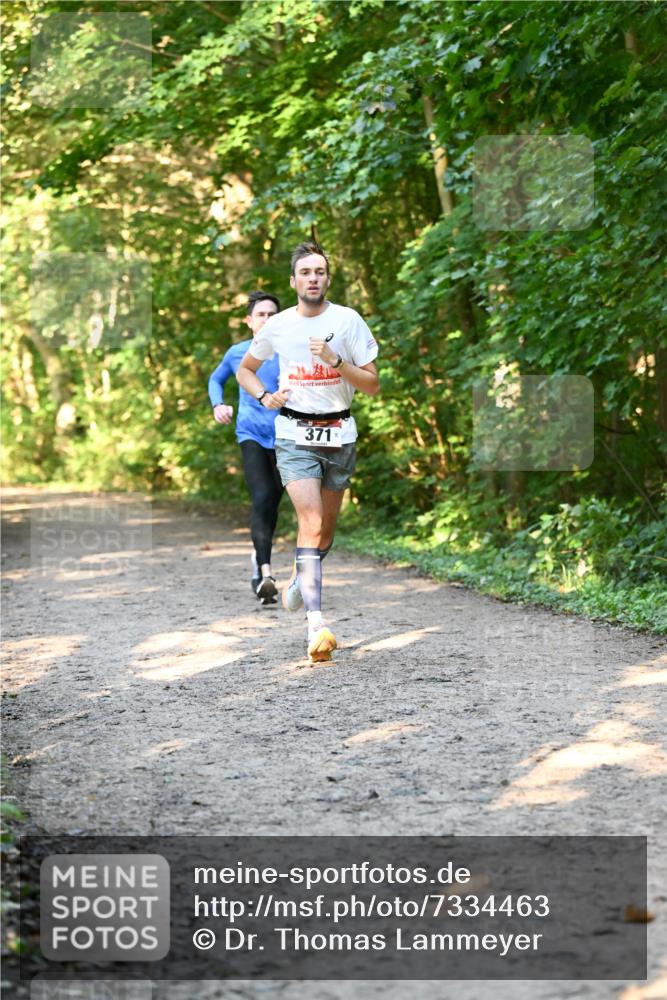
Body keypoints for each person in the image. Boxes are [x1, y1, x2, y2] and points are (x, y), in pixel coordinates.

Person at [237, 242, 379, 662]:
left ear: (328, 279)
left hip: (340, 432)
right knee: (311, 519)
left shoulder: (348, 321)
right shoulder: (277, 325)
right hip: (294, 432)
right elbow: (246, 370)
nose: (313, 278)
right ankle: (316, 623)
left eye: (320, 271)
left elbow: (372, 384)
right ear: (294, 280)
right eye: (305, 272)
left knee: (325, 534)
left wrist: (336, 361)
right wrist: (264, 396)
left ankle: (302, 577)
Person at [208, 291, 283, 605]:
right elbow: (216, 380)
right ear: (250, 321)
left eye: (272, 314)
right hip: (250, 433)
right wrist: (218, 405)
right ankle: (264, 573)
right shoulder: (238, 352)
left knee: (273, 503)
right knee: (262, 496)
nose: (267, 319)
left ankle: (259, 555)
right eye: (261, 314)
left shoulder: (290, 352)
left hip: (285, 436)